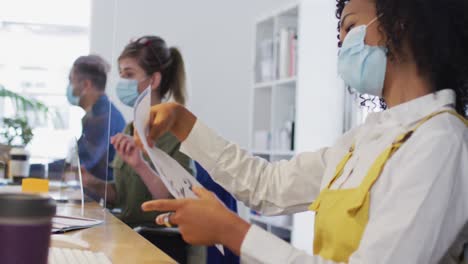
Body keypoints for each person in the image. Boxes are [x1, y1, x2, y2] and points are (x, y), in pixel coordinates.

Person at [140, 0, 468, 263]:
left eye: (351, 27)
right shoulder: (365, 139)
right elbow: (267, 186)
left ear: (401, 21)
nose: (343, 47)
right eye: (340, 38)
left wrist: (234, 233)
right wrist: (184, 124)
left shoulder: (441, 142)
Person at [81, 36, 194, 227]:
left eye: (129, 74)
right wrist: (90, 182)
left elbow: (175, 200)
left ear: (154, 80)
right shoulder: (130, 128)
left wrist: (140, 165)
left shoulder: (177, 133)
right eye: (121, 74)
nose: (122, 82)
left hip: (161, 241)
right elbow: (124, 197)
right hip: (129, 232)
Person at [67, 55, 126, 182]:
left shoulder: (102, 118)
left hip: (100, 196)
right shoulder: (98, 113)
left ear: (86, 84)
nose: (69, 87)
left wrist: (35, 170)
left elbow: (81, 164)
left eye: (71, 81)